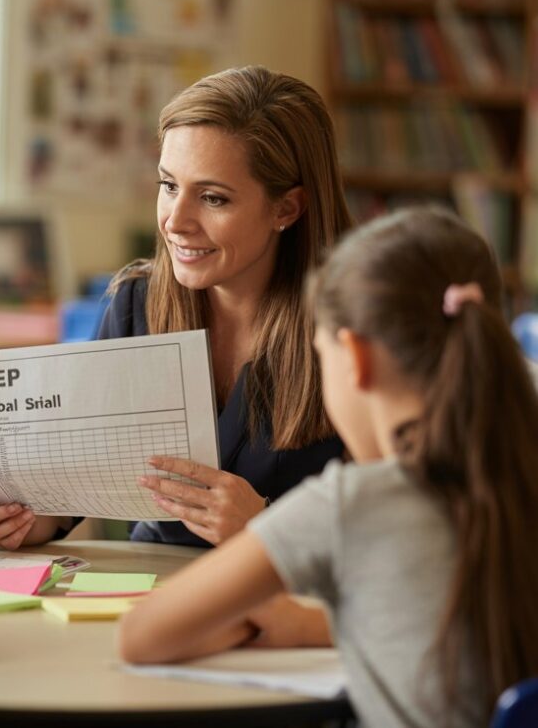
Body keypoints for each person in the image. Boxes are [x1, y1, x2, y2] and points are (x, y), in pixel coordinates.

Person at [118, 207, 538, 727]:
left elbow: (143, 635)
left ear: (355, 358)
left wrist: (296, 621)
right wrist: (323, 624)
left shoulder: (353, 503)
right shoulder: (519, 476)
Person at [0, 65, 351, 548]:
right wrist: (33, 517)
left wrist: (269, 530)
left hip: (291, 602)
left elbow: (409, 534)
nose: (176, 221)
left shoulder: (356, 326)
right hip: (153, 584)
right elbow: (81, 482)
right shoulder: (137, 304)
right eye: (169, 186)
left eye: (213, 198)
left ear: (286, 209)